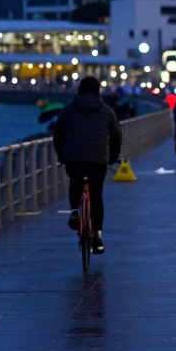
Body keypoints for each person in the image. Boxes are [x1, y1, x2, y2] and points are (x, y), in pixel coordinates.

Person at [53, 76, 122, 254]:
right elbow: (116, 137)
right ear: (98, 91)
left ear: (79, 90)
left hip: (74, 158)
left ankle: (75, 210)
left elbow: (58, 135)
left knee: (76, 180)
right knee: (96, 195)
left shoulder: (69, 110)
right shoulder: (107, 111)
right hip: (99, 159)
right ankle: (97, 237)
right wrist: (112, 157)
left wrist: (62, 155)